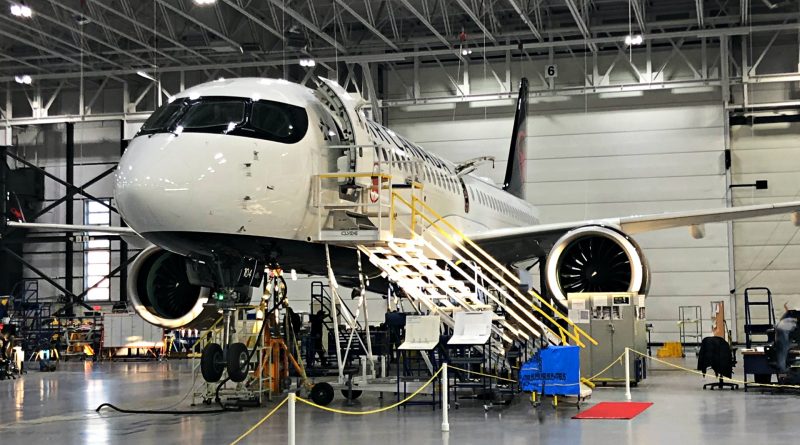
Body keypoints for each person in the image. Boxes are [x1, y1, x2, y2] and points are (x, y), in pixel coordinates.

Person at [774, 302, 800, 373]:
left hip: (780, 329)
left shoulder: (788, 315)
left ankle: (782, 370)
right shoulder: (794, 320)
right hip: (785, 332)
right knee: (783, 350)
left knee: (781, 350)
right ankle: (783, 371)